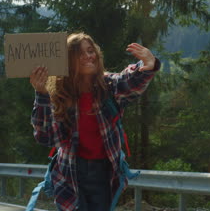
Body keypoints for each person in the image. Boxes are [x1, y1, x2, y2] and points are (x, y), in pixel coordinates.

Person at [29, 32, 160, 211]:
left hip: (104, 172)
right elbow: (47, 138)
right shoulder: (59, 94)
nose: (88, 56)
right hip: (70, 172)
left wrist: (148, 65)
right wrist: (42, 94)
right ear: (68, 60)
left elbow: (128, 80)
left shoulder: (108, 86)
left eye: (90, 51)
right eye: (79, 53)